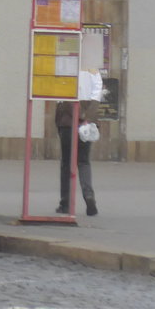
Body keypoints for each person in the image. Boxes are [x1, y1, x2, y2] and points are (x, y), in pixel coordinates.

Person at [56, 69, 103, 216]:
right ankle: (89, 196)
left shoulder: (65, 65)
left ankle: (65, 203)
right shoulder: (93, 70)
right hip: (87, 120)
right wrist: (88, 117)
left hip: (66, 120)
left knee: (66, 163)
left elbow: (58, 92)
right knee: (83, 161)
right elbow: (97, 93)